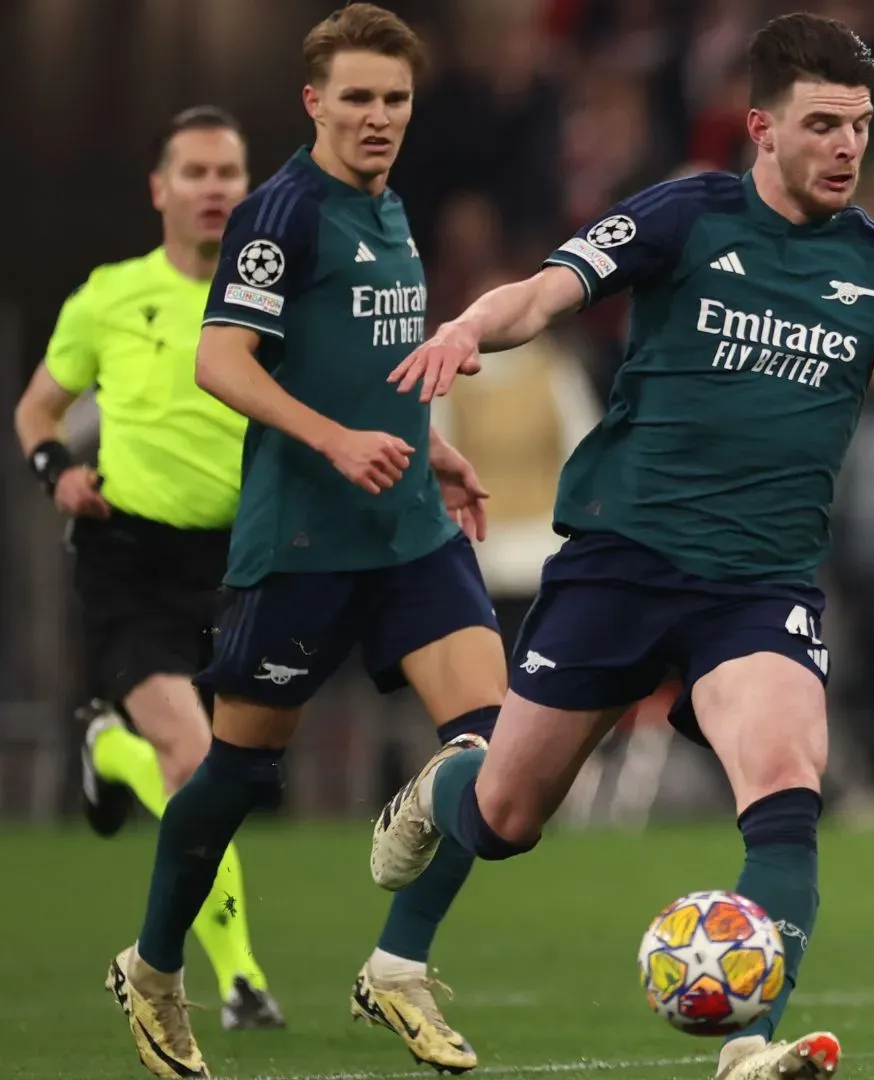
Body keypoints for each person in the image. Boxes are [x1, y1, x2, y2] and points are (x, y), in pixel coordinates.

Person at [369, 13, 874, 1080]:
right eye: (823, 123)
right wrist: (471, 327)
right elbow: (549, 290)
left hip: (761, 585)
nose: (847, 147)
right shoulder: (686, 215)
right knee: (506, 817)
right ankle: (426, 852)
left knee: (788, 781)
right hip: (620, 561)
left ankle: (753, 1041)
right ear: (760, 127)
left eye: (861, 126)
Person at [104, 7, 502, 1077]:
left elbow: (367, 347)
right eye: (360, 98)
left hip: (409, 530)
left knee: (501, 756)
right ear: (314, 102)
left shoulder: (390, 205)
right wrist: (332, 441)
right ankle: (151, 968)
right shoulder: (282, 212)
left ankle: (399, 969)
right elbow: (220, 360)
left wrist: (434, 448)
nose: (380, 118)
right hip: (307, 541)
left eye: (397, 99)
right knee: (237, 774)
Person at [13, 106, 286, 1031]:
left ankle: (108, 749)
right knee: (197, 757)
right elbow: (37, 412)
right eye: (197, 172)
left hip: (238, 559)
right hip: (126, 552)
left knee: (229, 775)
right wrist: (59, 473)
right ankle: (242, 981)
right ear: (160, 190)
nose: (215, 188)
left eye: (229, 173)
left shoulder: (274, 294)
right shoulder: (108, 296)